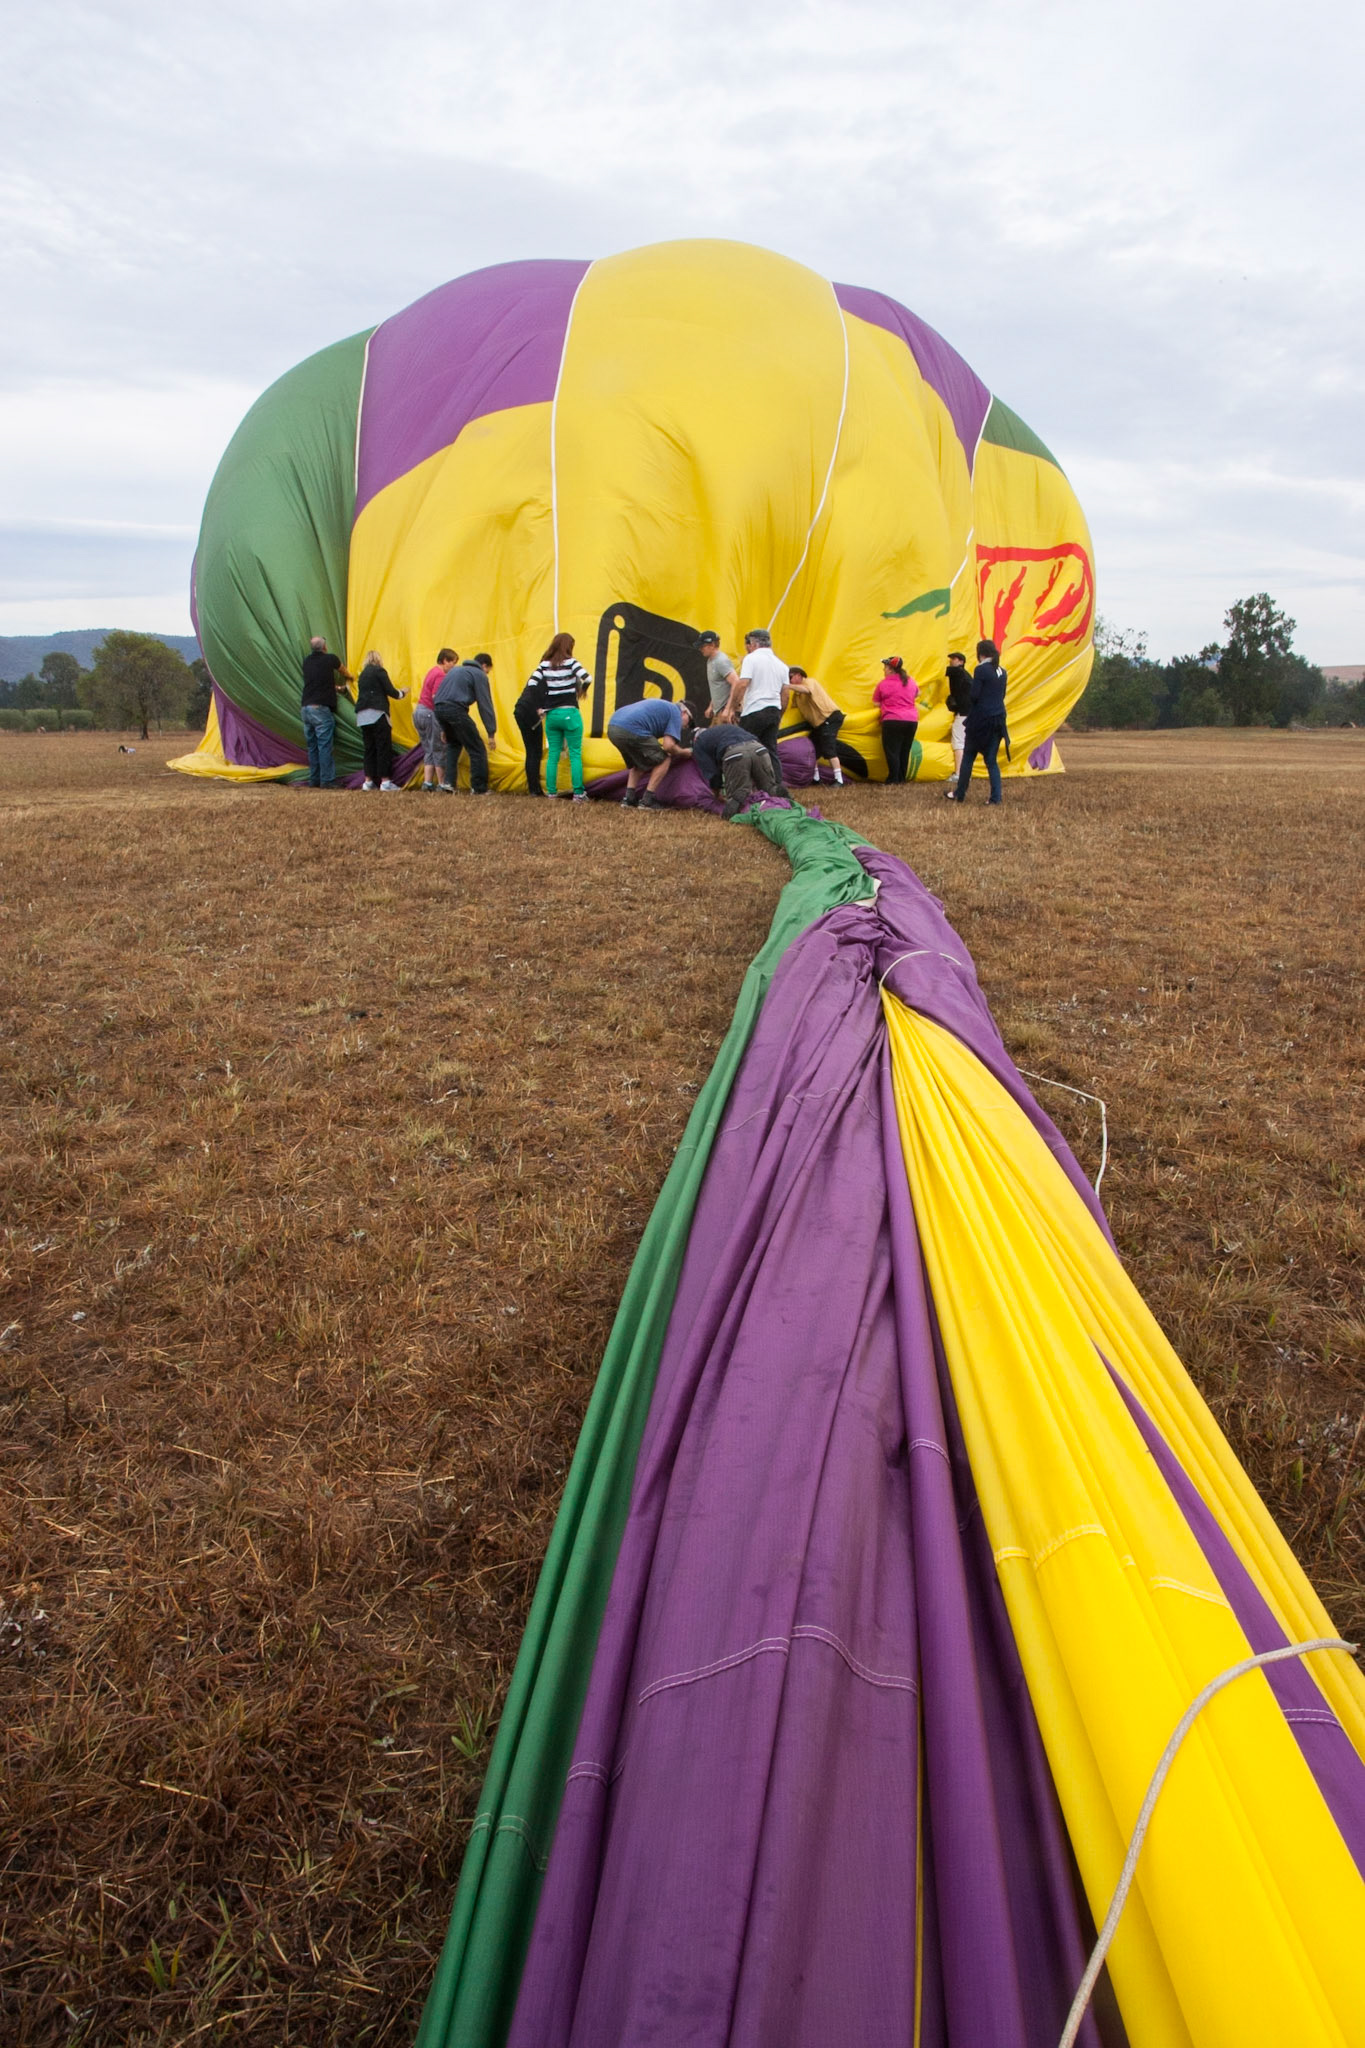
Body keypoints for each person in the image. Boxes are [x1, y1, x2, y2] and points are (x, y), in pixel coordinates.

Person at [528, 632, 592, 801]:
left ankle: (551, 792)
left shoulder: (544, 665)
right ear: (568, 647)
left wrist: (540, 703)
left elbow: (532, 684)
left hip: (552, 715)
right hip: (569, 712)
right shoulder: (571, 662)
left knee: (553, 754)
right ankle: (578, 793)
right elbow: (588, 678)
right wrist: (580, 690)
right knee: (575, 754)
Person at [722, 628, 789, 785]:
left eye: (747, 644)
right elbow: (785, 694)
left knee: (742, 748)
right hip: (774, 710)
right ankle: (777, 786)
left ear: (752, 643)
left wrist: (732, 707)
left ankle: (742, 786)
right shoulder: (782, 666)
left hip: (755, 710)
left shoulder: (751, 659)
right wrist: (780, 714)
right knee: (771, 750)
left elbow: (742, 684)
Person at [606, 696, 694, 809]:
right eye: (689, 722)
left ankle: (629, 799)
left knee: (639, 761)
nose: (686, 727)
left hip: (613, 727)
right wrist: (684, 752)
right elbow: (668, 746)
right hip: (631, 728)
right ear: (684, 713)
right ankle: (647, 800)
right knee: (665, 759)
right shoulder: (675, 712)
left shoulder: (664, 707)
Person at [953, 638, 1010, 806]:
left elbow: (974, 695)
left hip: (980, 721)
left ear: (980, 654)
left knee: (969, 756)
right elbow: (1002, 695)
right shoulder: (1002, 671)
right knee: (991, 761)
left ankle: (960, 793)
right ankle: (995, 797)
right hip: (998, 719)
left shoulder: (981, 670)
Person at [433, 652, 497, 793]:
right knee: (477, 748)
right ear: (484, 666)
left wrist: (444, 728)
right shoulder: (479, 674)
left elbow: (440, 698)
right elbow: (485, 705)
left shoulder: (455, 670)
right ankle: (479, 787)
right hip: (455, 709)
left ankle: (448, 783)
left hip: (438, 709)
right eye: (488, 671)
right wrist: (491, 732)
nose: (487, 674)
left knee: (453, 744)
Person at [690, 720, 780, 819]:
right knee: (770, 788)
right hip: (759, 749)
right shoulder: (722, 730)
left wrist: (716, 795)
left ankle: (731, 818)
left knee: (737, 796)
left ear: (694, 740)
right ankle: (787, 805)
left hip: (735, 754)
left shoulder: (699, 742)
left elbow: (713, 773)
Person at [299, 635, 353, 788]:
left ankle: (314, 780)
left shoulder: (307, 661)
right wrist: (351, 677)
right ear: (324, 647)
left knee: (312, 746)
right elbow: (345, 672)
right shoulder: (330, 659)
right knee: (324, 746)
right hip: (320, 709)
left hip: (306, 708)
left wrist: (336, 688)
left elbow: (318, 681)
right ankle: (327, 781)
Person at [354, 650, 404, 790]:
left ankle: (368, 781)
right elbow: (391, 691)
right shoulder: (379, 671)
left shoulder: (362, 674)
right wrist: (402, 693)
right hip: (377, 713)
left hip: (362, 715)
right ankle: (385, 781)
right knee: (383, 747)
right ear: (378, 660)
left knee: (369, 749)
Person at [787, 668, 844, 785]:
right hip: (818, 724)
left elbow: (806, 690)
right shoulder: (797, 696)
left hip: (829, 718)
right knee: (812, 749)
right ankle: (816, 778)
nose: (790, 680)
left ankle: (839, 780)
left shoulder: (809, 682)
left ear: (798, 675)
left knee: (828, 748)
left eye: (790, 677)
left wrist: (787, 686)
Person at [873, 654, 920, 784]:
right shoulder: (910, 681)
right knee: (905, 750)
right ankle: (901, 778)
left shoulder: (883, 684)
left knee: (892, 751)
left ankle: (893, 779)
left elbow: (876, 703)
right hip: (911, 720)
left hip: (892, 720)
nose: (883, 670)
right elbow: (918, 694)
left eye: (885, 667)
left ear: (890, 669)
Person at [416, 648, 457, 791]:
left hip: (419, 711)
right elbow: (437, 698)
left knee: (428, 748)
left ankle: (427, 782)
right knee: (439, 747)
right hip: (429, 713)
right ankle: (441, 782)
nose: (454, 666)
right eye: (452, 662)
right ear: (445, 660)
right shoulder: (440, 675)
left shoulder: (432, 671)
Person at [943, 650, 971, 798]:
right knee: (965, 743)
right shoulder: (966, 676)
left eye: (954, 659)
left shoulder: (958, 673)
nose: (951, 661)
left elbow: (940, 671)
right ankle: (964, 772)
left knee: (958, 742)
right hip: (970, 713)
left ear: (961, 662)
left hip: (963, 713)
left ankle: (959, 773)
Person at [698, 632, 738, 723]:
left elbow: (736, 682)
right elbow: (717, 685)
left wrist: (728, 708)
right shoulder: (710, 661)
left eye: (702, 646)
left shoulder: (721, 661)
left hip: (724, 710)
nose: (700, 649)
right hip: (718, 710)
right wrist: (711, 706)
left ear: (711, 645)